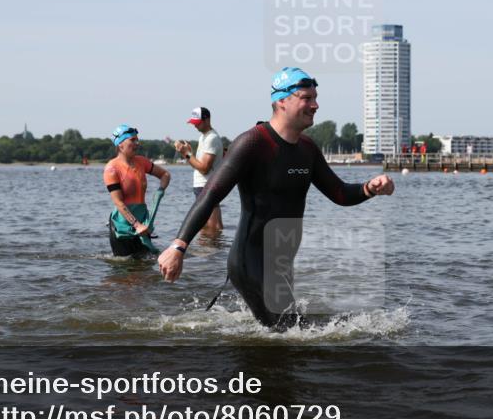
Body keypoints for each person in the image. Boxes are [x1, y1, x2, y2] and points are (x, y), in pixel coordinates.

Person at [157, 67, 395, 330]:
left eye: (315, 98)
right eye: (307, 98)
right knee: (294, 334)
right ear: (282, 101)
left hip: (281, 266)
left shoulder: (307, 148)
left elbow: (339, 193)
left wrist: (370, 188)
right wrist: (178, 247)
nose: (315, 105)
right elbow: (210, 194)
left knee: (288, 337)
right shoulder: (252, 143)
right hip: (250, 262)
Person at [104, 124, 171, 256]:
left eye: (137, 140)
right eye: (132, 140)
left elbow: (165, 175)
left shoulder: (142, 162)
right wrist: (136, 225)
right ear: (120, 145)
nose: (137, 143)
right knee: (124, 265)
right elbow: (118, 202)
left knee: (145, 264)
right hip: (123, 225)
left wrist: (160, 191)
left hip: (143, 221)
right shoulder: (111, 169)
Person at [174, 107, 223, 234]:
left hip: (207, 186)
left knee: (212, 227)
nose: (195, 126)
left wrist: (186, 153)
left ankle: (214, 247)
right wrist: (189, 154)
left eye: (197, 123)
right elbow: (198, 166)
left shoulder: (211, 138)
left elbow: (204, 168)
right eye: (193, 123)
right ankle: (214, 246)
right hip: (204, 186)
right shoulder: (203, 137)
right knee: (206, 226)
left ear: (207, 120)